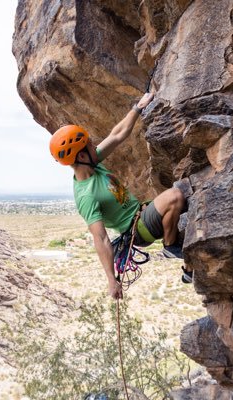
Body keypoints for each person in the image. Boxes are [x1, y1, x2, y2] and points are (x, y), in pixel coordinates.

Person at [49, 92, 193, 299]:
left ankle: (189, 271)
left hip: (142, 213)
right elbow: (100, 239)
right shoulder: (86, 196)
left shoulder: (93, 163)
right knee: (175, 196)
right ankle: (170, 246)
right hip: (137, 229)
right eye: (89, 144)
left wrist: (138, 107)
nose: (94, 144)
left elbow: (117, 135)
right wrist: (111, 280)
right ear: (81, 155)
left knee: (188, 204)